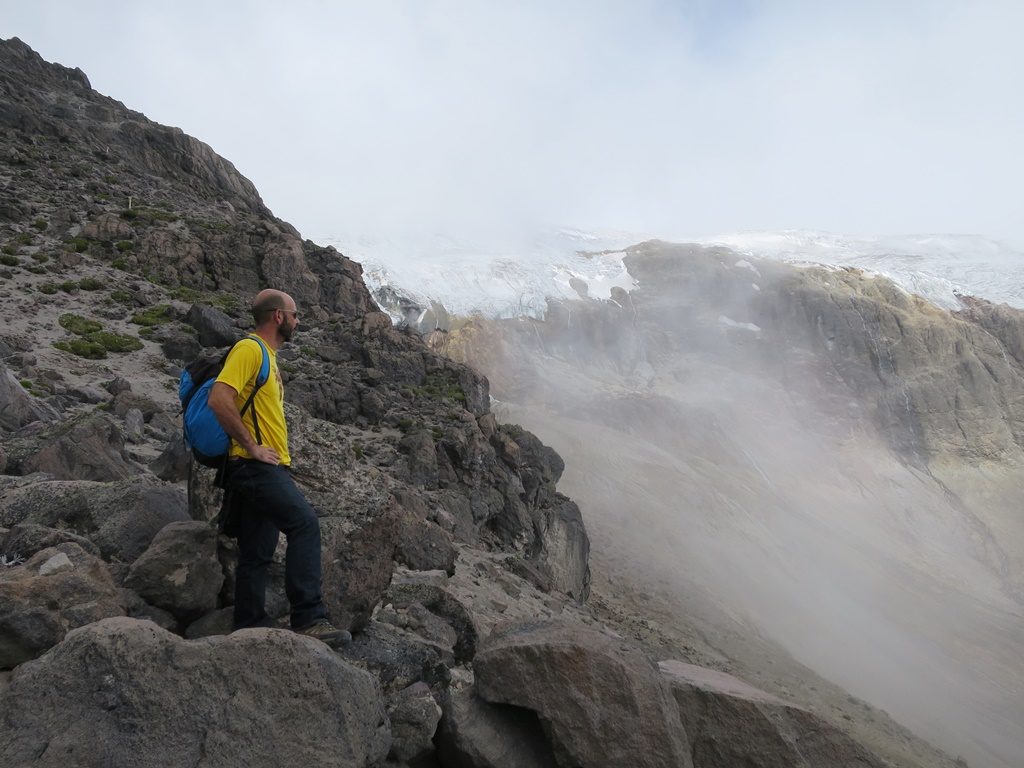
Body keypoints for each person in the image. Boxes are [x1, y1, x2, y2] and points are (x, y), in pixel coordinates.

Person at [208, 288, 350, 648]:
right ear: (278, 317)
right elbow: (219, 399)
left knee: (257, 552)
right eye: (295, 313)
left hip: (263, 467)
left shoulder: (267, 356)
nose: (298, 320)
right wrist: (253, 446)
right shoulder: (250, 350)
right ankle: (309, 618)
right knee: (304, 523)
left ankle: (248, 624)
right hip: (254, 467)